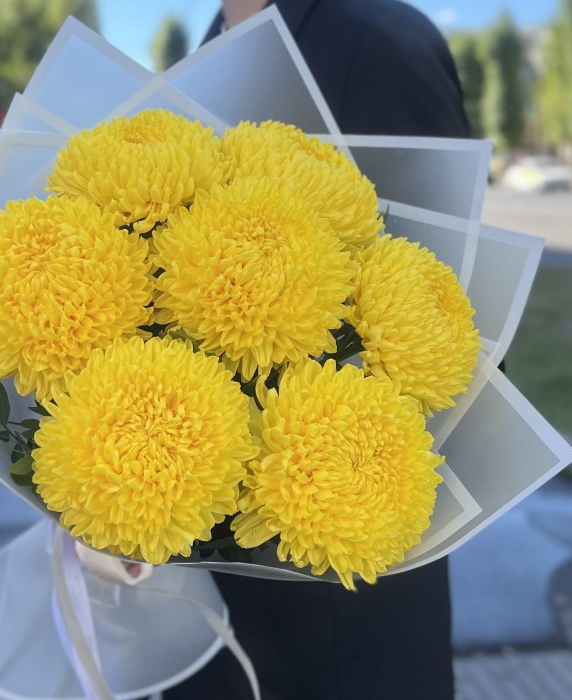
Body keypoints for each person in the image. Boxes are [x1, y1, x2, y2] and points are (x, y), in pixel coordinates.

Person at [165, 1, 469, 698]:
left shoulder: (379, 42)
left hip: (340, 615)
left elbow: (455, 318)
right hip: (198, 601)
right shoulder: (204, 51)